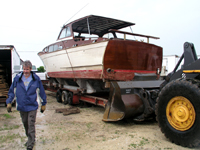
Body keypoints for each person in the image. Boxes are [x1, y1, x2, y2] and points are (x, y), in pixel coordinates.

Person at [6, 60, 47, 150]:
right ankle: (30, 139)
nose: (25, 71)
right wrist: (9, 102)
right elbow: (12, 91)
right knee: (25, 123)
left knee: (31, 123)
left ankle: (30, 144)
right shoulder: (17, 79)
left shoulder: (36, 79)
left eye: (27, 69)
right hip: (22, 106)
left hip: (32, 105)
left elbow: (41, 92)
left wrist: (44, 103)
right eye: (24, 69)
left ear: (31, 69)